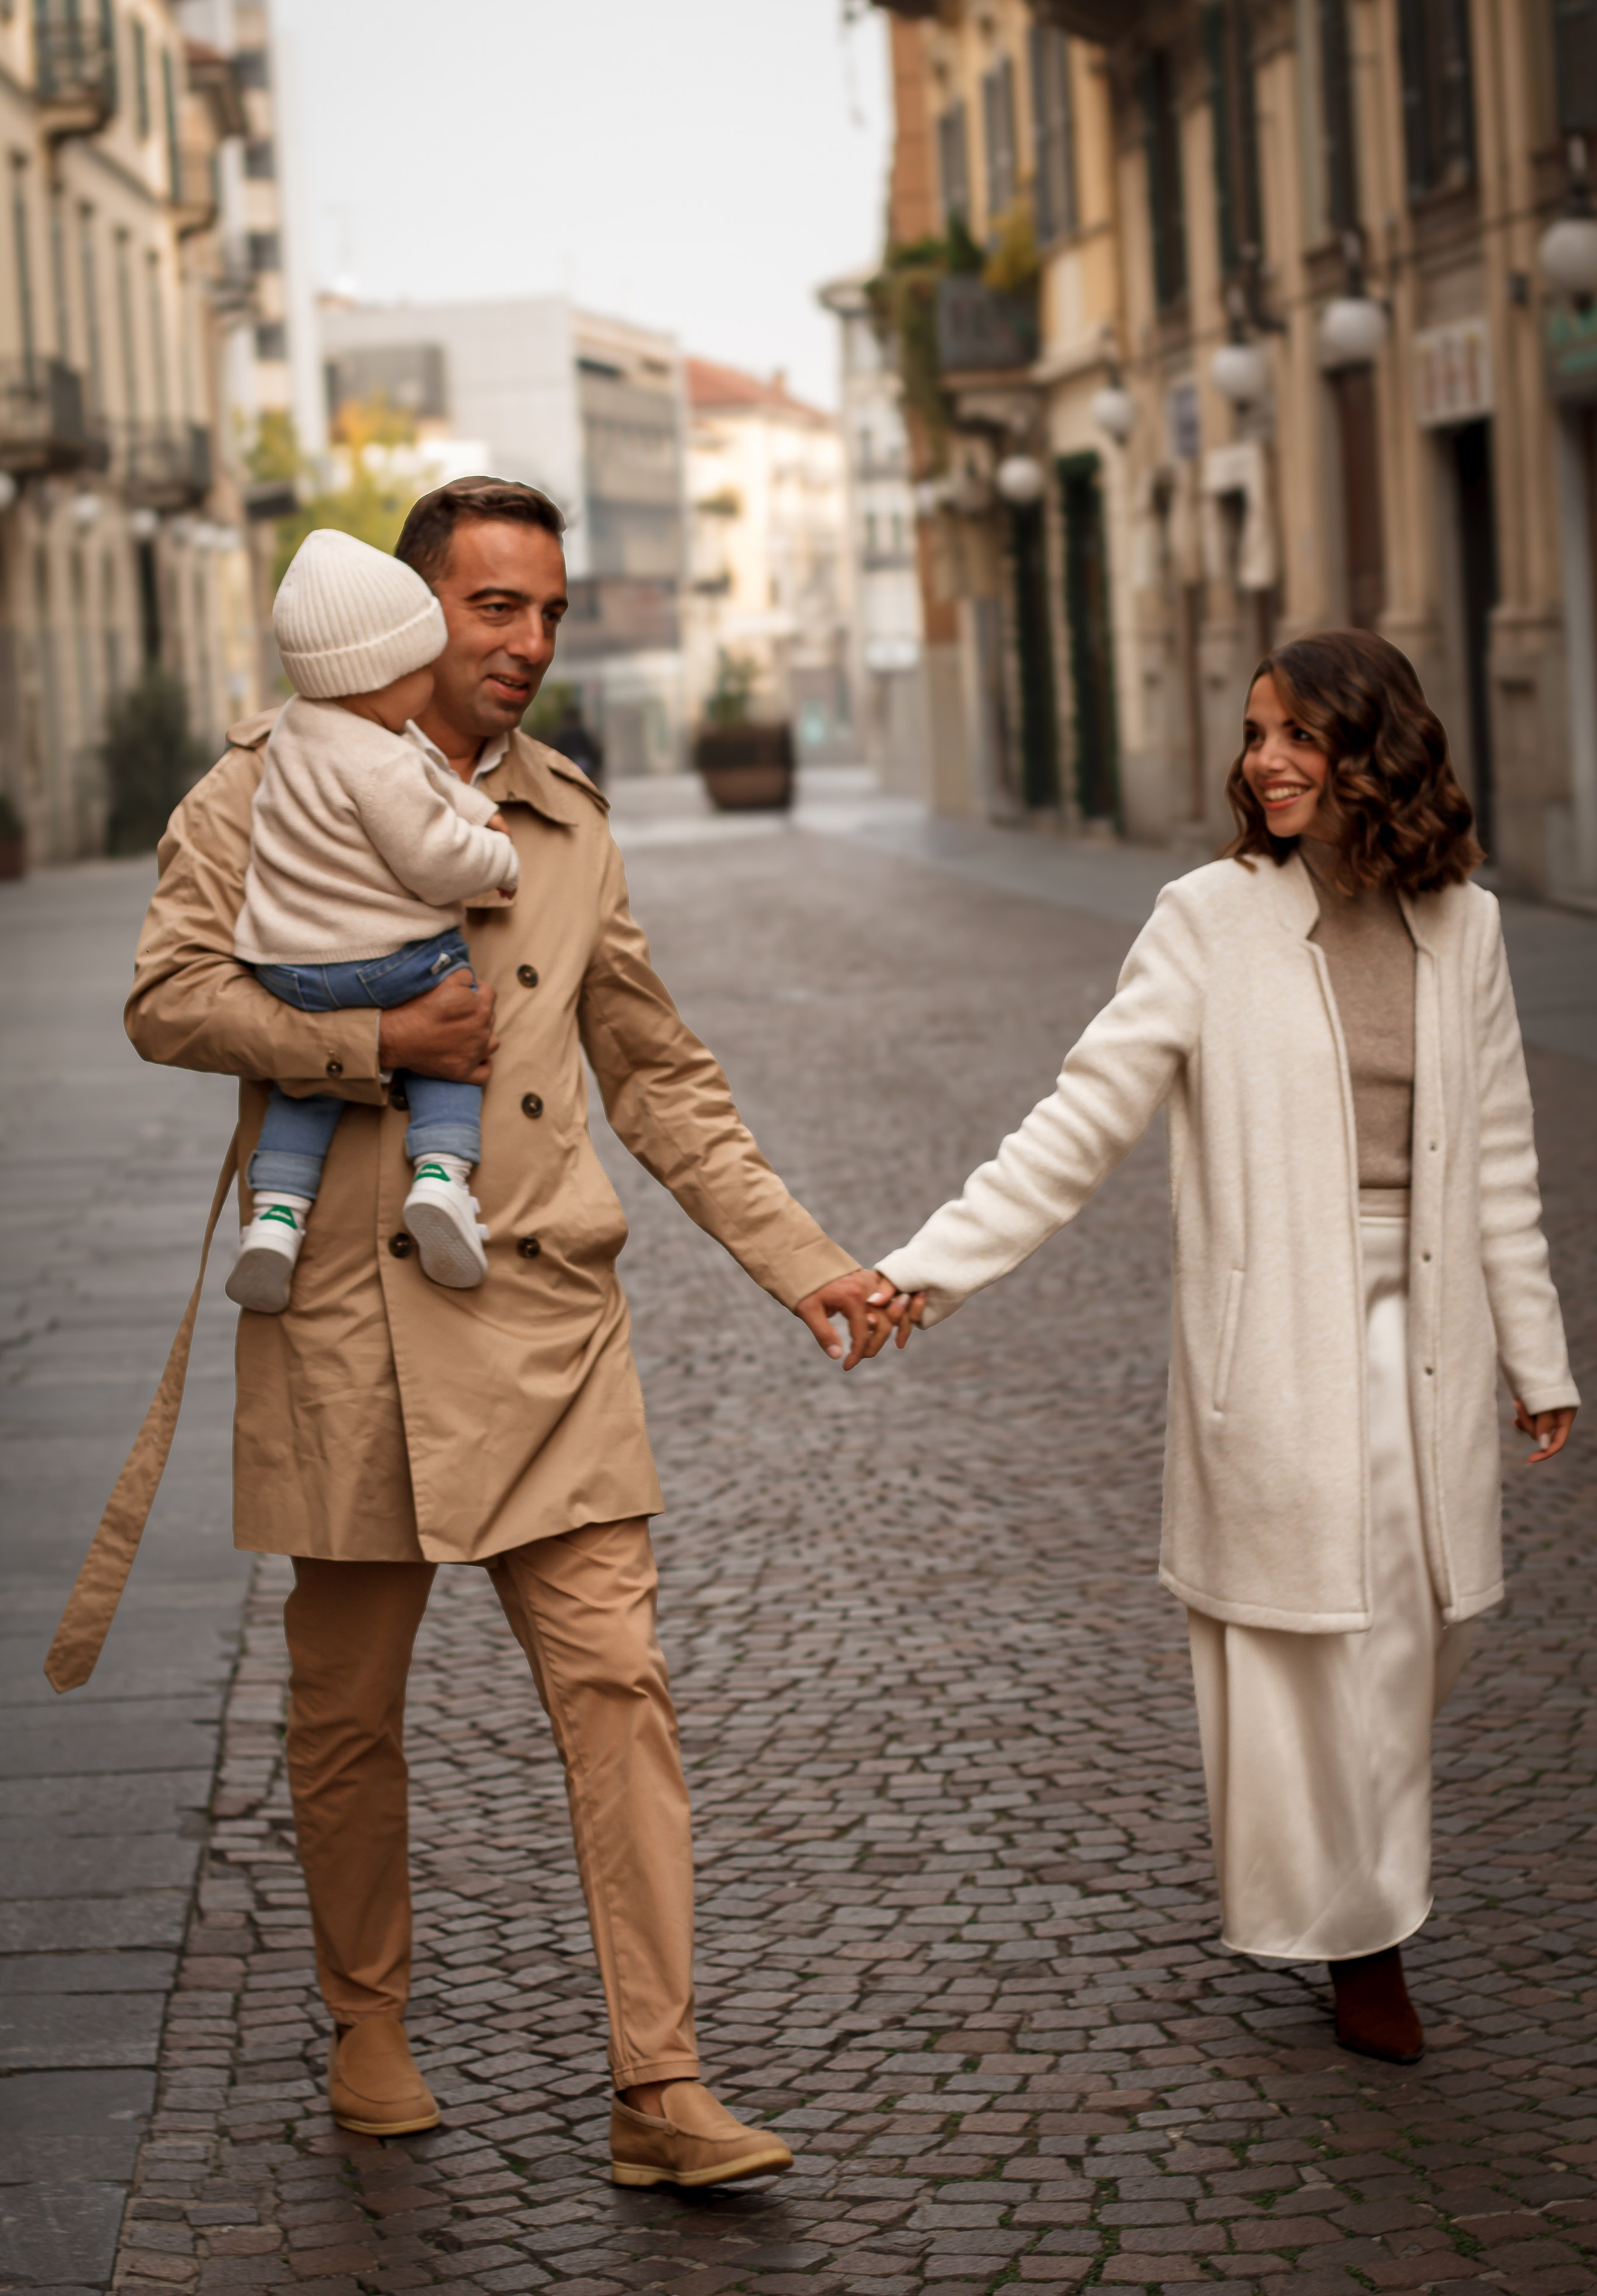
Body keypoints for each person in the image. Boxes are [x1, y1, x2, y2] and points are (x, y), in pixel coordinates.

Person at [63, 476, 885, 2184]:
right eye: (495, 607)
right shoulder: (257, 789)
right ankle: (370, 2022)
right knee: (346, 1705)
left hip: (544, 1313)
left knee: (618, 1683)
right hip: (348, 1319)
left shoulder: (570, 826)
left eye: (551, 612)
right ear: (414, 614)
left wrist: (805, 1260)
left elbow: (658, 1077)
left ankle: (661, 2086)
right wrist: (363, 1053)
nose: (528, 642)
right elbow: (164, 997)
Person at [853, 629, 1579, 2065]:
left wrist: (1534, 1349)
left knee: (1429, 1622)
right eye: (1253, 732)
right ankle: (1362, 1936)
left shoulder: (1466, 925)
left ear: (1370, 747)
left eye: (1295, 734)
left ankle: (1352, 1894)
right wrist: (917, 1273)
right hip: (1282, 1337)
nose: (1262, 760)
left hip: (1427, 1323)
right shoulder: (1204, 918)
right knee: (1327, 1637)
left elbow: (1497, 1148)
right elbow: (1075, 1123)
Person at [228, 529, 519, 1311]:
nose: (429, 684)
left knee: (305, 1092)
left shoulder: (295, 730)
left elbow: (426, 773)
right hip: (386, 962)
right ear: (377, 675)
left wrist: (474, 806)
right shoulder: (382, 760)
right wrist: (499, 859)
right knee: (454, 1027)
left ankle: (276, 1221)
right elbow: (431, 855)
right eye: (418, 669)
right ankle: (442, 1178)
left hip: (289, 969)